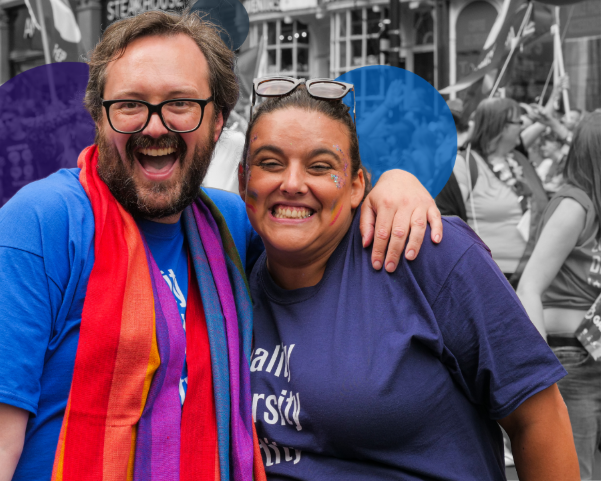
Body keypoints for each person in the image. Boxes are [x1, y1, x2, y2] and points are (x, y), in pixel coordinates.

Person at [0, 10, 443, 481]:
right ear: (98, 116)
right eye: (130, 105)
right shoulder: (38, 229)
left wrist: (391, 185)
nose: (156, 126)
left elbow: (316, 213)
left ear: (219, 122)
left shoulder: (233, 225)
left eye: (181, 104)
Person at [240, 82, 579, 480]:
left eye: (320, 166)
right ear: (244, 178)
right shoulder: (228, 268)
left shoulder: (424, 249)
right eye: (271, 163)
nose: (293, 183)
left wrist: (399, 177)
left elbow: (539, 417)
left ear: (356, 187)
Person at [517, 111, 601, 480]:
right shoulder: (574, 205)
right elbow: (529, 286)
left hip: (591, 356)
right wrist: (541, 372)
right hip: (572, 359)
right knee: (572, 472)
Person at [451, 97, 548, 283]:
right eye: (518, 122)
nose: (522, 126)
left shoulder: (519, 160)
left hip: (533, 274)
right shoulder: (463, 164)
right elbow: (449, 222)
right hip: (489, 277)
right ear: (500, 127)